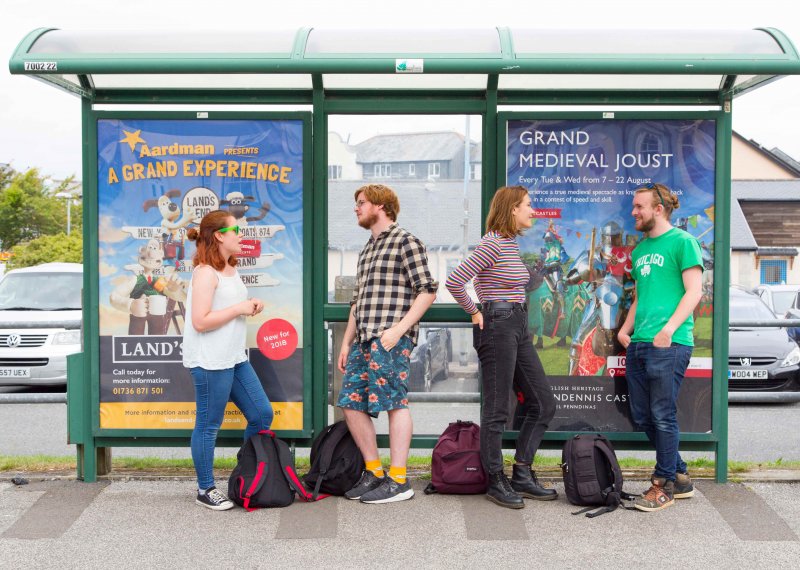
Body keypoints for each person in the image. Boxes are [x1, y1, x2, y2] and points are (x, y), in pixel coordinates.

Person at [446, 186, 557, 509]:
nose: (532, 211)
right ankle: (495, 480)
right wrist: (475, 311)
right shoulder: (493, 243)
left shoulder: (509, 244)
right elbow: (455, 281)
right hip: (497, 324)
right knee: (497, 410)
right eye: (527, 205)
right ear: (512, 209)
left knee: (543, 403)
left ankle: (522, 473)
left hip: (516, 324)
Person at [336, 184, 438, 504]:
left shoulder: (406, 242)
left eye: (361, 202)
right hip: (363, 339)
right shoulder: (367, 249)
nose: (356, 208)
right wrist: (346, 343)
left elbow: (428, 290)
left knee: (395, 403)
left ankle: (398, 479)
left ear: (381, 206)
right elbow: (357, 301)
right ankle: (375, 472)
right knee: (351, 404)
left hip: (389, 339)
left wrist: (398, 331)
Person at [617, 183, 703, 513]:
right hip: (640, 344)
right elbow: (640, 296)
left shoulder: (683, 242)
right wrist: (626, 330)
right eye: (634, 207)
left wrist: (668, 329)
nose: (633, 212)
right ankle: (680, 477)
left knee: (663, 415)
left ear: (659, 209)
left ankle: (663, 484)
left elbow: (694, 291)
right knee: (643, 415)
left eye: (639, 207)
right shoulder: (639, 251)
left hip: (670, 343)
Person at [182, 210, 273, 510]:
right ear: (220, 235)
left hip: (233, 357)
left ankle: (245, 473)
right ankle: (205, 488)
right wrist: (240, 308)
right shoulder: (205, 272)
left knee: (261, 414)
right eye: (236, 230)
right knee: (208, 425)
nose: (241, 234)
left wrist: (250, 305)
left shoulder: (230, 268)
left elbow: (231, 306)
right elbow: (200, 321)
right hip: (210, 361)